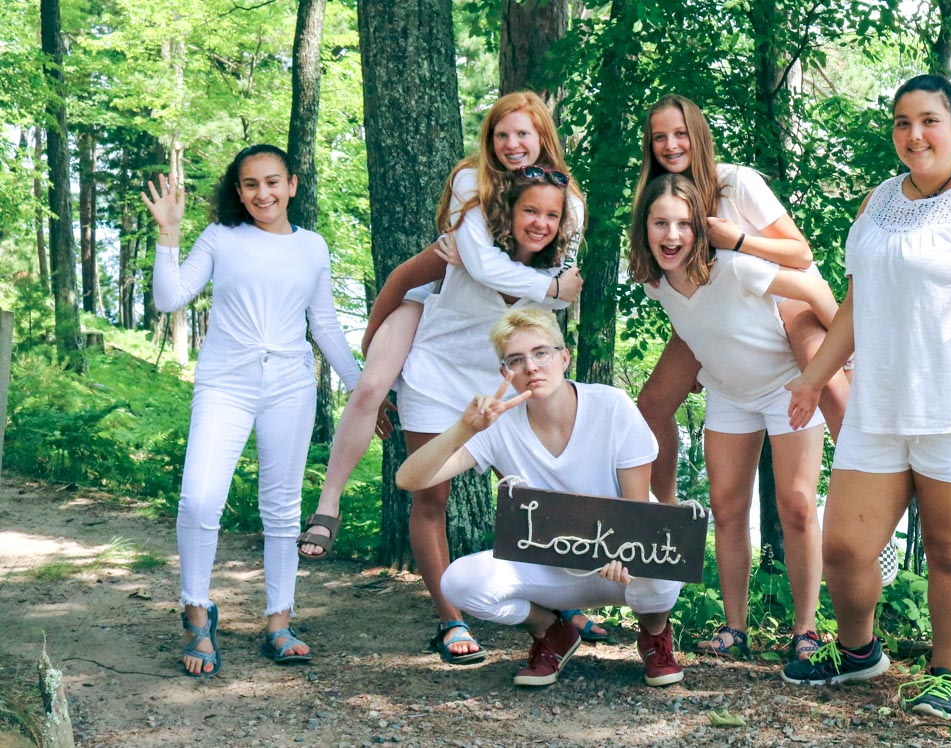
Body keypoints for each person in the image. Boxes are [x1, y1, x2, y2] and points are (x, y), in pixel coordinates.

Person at [292, 91, 602, 660]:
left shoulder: (567, 204)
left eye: (524, 135)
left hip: (507, 368)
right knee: (430, 494)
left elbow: (563, 296)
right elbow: (475, 269)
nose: (513, 145)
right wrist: (552, 287)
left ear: (543, 140)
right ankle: (450, 619)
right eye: (502, 134)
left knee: (531, 491)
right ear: (490, 140)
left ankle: (559, 603)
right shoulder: (474, 192)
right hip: (439, 361)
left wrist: (557, 290)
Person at [779, 74, 951, 720]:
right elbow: (857, 301)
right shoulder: (879, 202)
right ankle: (858, 650)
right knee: (843, 547)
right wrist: (815, 378)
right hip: (882, 403)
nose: (914, 135)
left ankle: (946, 672)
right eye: (902, 122)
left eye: (929, 120)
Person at [143, 144, 363, 676]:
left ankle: (279, 622)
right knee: (199, 500)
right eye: (249, 185)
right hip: (225, 384)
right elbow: (169, 298)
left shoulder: (312, 247)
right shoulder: (221, 239)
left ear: (291, 185)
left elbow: (326, 326)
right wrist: (167, 233)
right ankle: (198, 614)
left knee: (283, 509)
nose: (261, 193)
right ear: (238, 192)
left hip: (290, 383)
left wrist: (364, 390)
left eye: (271, 182)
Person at [397, 308, 686, 688]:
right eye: (516, 360)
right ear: (506, 373)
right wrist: (463, 429)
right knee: (460, 582)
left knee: (667, 565)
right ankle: (551, 630)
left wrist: (624, 553)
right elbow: (409, 478)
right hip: (552, 571)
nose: (531, 367)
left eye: (541, 353)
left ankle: (654, 635)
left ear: (563, 357)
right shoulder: (497, 425)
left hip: (620, 566)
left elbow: (637, 511)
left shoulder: (611, 405)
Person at [629, 173, 838, 664]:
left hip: (787, 389)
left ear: (700, 230)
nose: (672, 236)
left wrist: (842, 354)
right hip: (728, 396)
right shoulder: (653, 281)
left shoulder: (734, 267)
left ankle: (806, 631)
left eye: (683, 224)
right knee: (725, 508)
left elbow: (810, 286)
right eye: (660, 223)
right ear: (645, 227)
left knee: (798, 505)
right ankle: (735, 627)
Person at [632, 94, 850, 506]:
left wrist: (739, 241)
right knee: (652, 404)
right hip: (716, 313)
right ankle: (666, 511)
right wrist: (702, 348)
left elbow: (801, 254)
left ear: (698, 135)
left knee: (833, 391)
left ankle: (866, 492)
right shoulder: (657, 197)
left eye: (680, 133)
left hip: (786, 299)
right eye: (659, 137)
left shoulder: (735, 182)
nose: (671, 144)